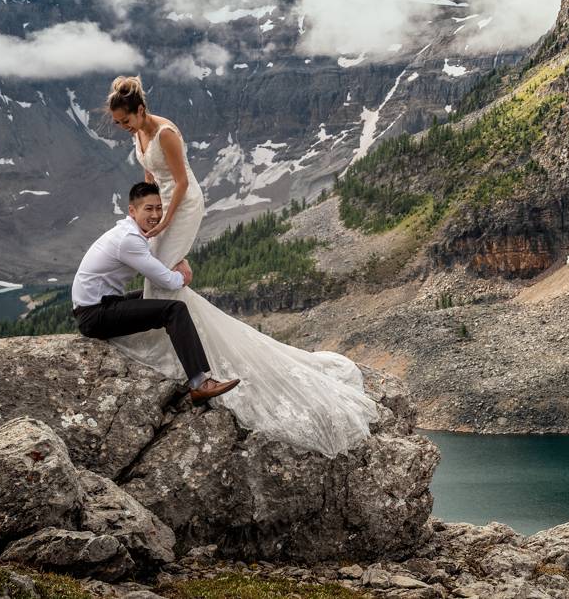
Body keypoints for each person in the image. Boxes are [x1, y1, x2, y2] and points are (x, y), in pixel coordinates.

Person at [104, 74, 380, 457]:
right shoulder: (138, 134)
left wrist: (165, 221)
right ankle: (186, 351)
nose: (123, 129)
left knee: (162, 272)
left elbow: (182, 182)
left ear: (139, 110)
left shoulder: (166, 132)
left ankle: (193, 363)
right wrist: (149, 209)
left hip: (183, 207)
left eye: (125, 122)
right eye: (119, 124)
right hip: (162, 206)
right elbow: (151, 176)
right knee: (162, 274)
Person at [71, 181, 240, 404]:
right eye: (148, 208)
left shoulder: (129, 232)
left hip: (101, 306)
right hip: (95, 315)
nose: (155, 214)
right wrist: (184, 275)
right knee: (174, 309)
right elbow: (168, 281)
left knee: (151, 297)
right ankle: (200, 382)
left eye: (159, 208)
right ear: (132, 210)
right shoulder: (129, 239)